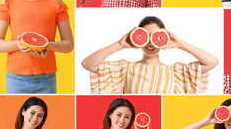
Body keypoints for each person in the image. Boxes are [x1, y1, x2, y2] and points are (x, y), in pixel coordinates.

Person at [82, 16, 218, 94]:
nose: (151, 42)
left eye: (156, 36)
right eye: (145, 36)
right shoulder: (125, 69)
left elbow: (212, 62)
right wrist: (120, 44)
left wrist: (180, 44)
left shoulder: (176, 73)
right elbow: (87, 64)